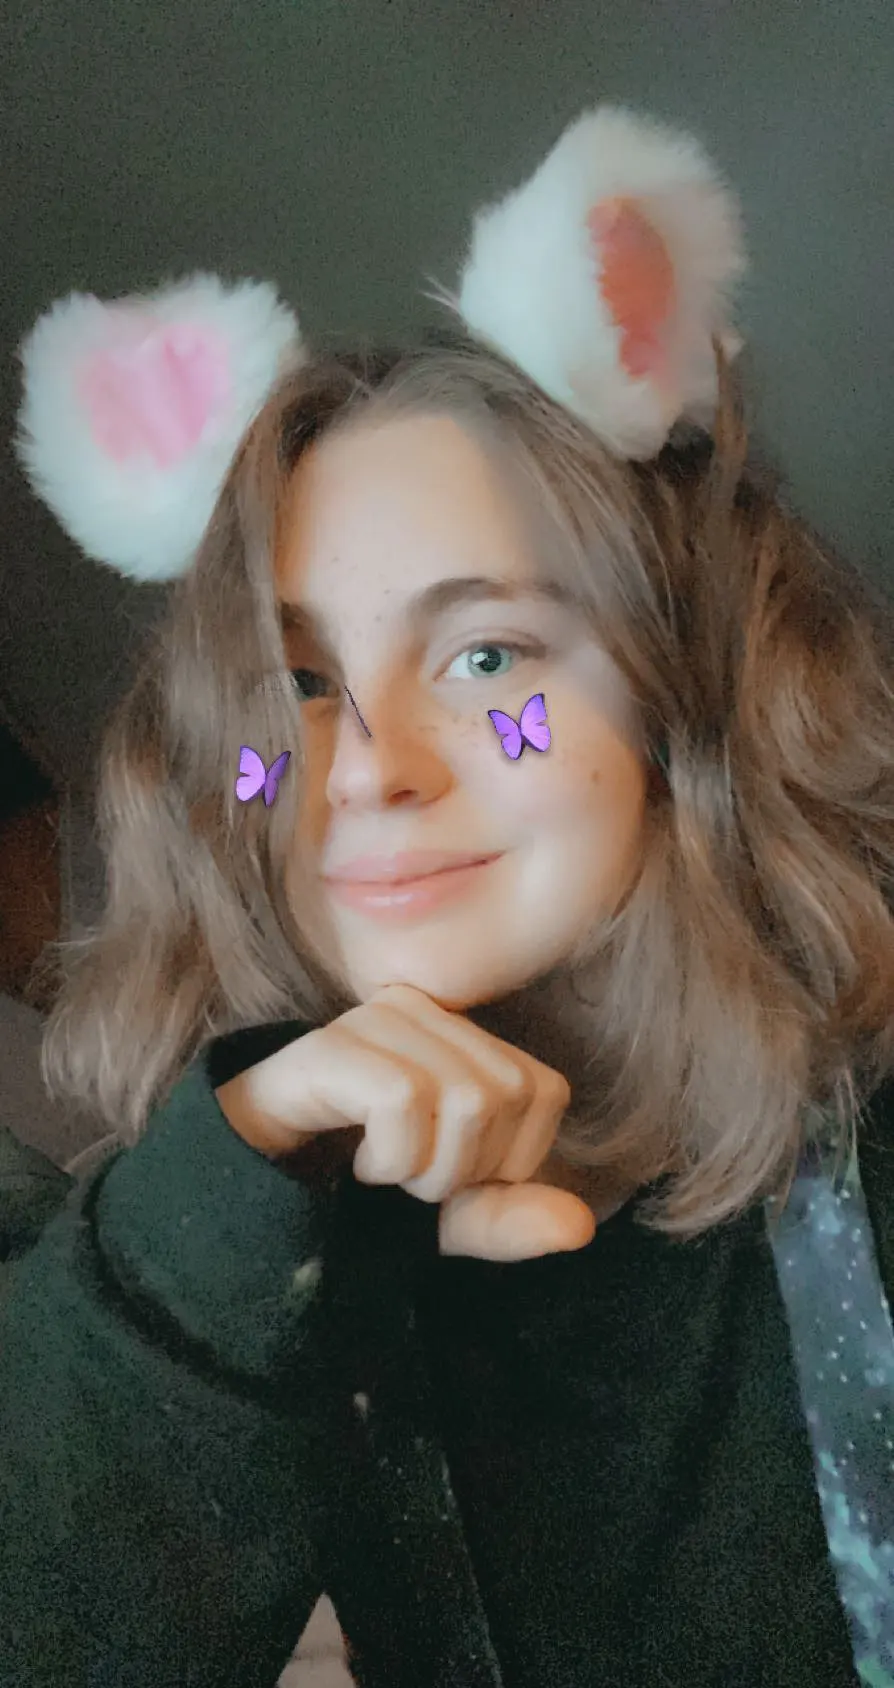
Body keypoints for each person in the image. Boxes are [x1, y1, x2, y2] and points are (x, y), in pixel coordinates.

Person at [2, 102, 893, 1688]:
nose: (362, 771)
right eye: (294, 687)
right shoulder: (180, 1249)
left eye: (485, 657)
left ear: (681, 692)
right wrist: (229, 1201)